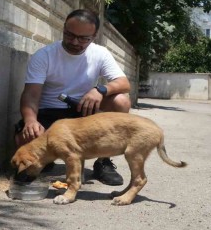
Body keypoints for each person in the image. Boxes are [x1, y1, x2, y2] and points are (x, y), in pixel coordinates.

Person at [14, 9, 131, 185]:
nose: (75, 42)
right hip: (50, 113)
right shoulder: (44, 55)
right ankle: (43, 160)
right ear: (63, 29)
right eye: (69, 35)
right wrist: (30, 120)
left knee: (121, 100)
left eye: (83, 38)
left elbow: (124, 83)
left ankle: (103, 161)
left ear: (94, 36)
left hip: (82, 112)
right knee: (24, 137)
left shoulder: (100, 53)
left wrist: (100, 90)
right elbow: (31, 93)